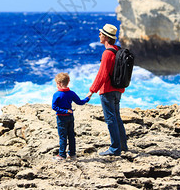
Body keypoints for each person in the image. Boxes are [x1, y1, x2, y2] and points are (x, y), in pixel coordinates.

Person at [89, 23, 128, 156]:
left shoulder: (107, 53)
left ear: (105, 37)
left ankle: (115, 149)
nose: (99, 35)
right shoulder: (117, 49)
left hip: (108, 91)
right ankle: (123, 145)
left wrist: (91, 91)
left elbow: (102, 75)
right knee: (117, 117)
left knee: (110, 119)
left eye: (101, 33)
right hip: (118, 89)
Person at [52, 72, 92, 160]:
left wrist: (64, 110)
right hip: (70, 117)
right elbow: (80, 102)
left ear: (58, 83)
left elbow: (54, 107)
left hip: (61, 118)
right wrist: (87, 98)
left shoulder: (57, 94)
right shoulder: (71, 93)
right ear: (68, 82)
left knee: (63, 136)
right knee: (71, 136)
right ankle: (72, 154)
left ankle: (62, 155)